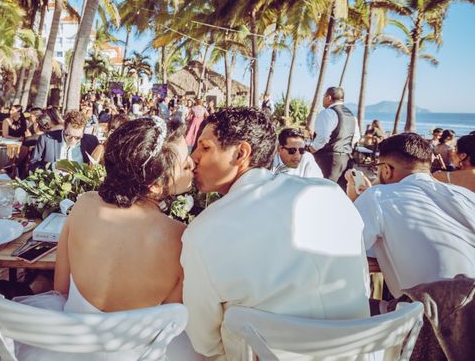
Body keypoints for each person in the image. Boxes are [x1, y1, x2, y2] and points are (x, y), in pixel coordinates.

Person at [0, 117, 202, 360]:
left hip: (65, 347)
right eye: (184, 162)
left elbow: (60, 288)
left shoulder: (84, 204)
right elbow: (167, 318)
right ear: (155, 186)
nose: (193, 162)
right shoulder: (181, 238)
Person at [182, 107, 369, 360]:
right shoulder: (331, 194)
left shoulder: (204, 232)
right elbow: (363, 284)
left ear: (241, 153)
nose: (193, 157)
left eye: (204, 148)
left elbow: (205, 343)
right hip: (357, 351)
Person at [346, 133, 475, 298]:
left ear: (386, 170)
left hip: (430, 315)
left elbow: (346, 249)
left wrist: (355, 201)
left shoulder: (376, 196)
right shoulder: (465, 195)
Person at [310, 86, 360, 188]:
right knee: (341, 192)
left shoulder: (327, 113)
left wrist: (312, 148)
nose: (323, 99)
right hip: (346, 160)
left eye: (323, 96)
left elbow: (323, 137)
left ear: (329, 97)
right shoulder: (351, 116)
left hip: (329, 160)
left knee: (323, 190)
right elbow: (356, 137)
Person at [29, 111, 99, 172]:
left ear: (83, 132)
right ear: (64, 127)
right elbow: (32, 166)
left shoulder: (92, 141)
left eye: (77, 138)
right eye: (69, 136)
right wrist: (53, 166)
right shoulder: (46, 139)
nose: (72, 141)